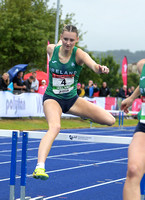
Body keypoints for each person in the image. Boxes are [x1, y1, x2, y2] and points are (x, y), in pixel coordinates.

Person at [32, 24, 115, 180]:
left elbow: (93, 66)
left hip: (72, 100)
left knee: (110, 120)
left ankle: (83, 115)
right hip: (53, 98)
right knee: (55, 127)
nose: (68, 43)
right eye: (65, 39)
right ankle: (39, 167)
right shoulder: (51, 49)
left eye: (71, 40)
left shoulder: (79, 54)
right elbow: (55, 47)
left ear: (76, 40)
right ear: (61, 38)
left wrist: (101, 68)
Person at [121, 58, 145, 200]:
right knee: (133, 170)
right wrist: (131, 98)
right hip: (144, 124)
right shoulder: (142, 65)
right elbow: (142, 82)